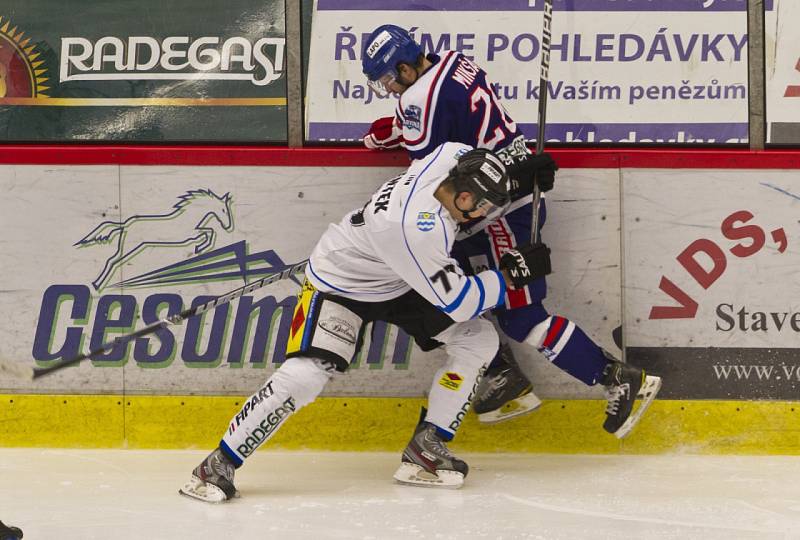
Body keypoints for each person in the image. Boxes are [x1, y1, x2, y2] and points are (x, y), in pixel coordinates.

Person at [179, 144, 553, 501]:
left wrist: (513, 180)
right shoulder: (416, 231)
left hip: (400, 277)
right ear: (465, 197)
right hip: (341, 285)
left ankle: (427, 445)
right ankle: (218, 464)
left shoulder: (451, 155)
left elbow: (478, 169)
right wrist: (508, 276)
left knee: (478, 338)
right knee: (306, 376)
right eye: (483, 205)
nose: (484, 213)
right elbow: (459, 301)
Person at [361, 24, 661, 436]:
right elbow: (441, 119)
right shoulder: (453, 63)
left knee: (522, 318)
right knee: (437, 289)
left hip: (501, 212)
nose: (390, 88)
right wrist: (391, 130)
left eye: (389, 79)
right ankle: (503, 378)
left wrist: (396, 134)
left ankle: (618, 379)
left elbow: (426, 172)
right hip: (502, 197)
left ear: (405, 67)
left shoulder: (417, 98)